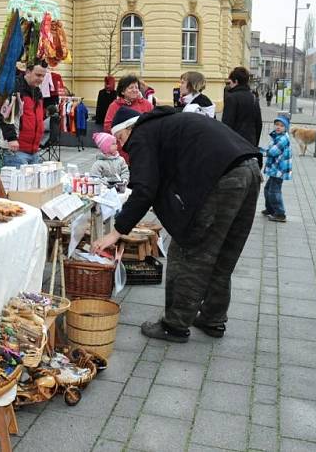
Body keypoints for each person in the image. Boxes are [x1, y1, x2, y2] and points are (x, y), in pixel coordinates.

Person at [91, 106, 261, 342]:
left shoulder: (142, 134)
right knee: (224, 254)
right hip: (250, 169)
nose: (121, 146)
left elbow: (145, 190)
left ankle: (175, 324)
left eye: (120, 138)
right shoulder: (167, 124)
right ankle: (213, 318)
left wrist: (117, 232)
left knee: (190, 251)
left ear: (129, 129)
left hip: (225, 179)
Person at [0, 60, 47, 167]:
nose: (41, 79)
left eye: (43, 76)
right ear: (28, 72)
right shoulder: (15, 88)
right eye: (38, 75)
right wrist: (11, 139)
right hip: (16, 151)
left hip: (33, 151)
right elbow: (4, 115)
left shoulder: (37, 92)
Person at [103, 74, 154, 162]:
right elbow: (107, 127)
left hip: (142, 150)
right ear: (122, 91)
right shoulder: (115, 106)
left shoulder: (147, 104)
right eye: (131, 87)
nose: (135, 90)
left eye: (136, 87)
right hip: (122, 151)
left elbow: (153, 124)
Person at [260, 115, 292, 223]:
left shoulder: (283, 139)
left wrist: (260, 152)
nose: (278, 127)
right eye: (277, 125)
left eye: (282, 126)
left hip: (279, 171)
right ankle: (270, 209)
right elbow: (270, 149)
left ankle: (280, 213)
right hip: (275, 170)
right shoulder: (277, 136)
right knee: (267, 189)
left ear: (286, 128)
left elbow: (273, 152)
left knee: (274, 192)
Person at [221, 67, 262, 147]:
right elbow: (258, 123)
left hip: (235, 144)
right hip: (250, 142)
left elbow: (227, 124)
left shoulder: (232, 98)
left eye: (230, 82)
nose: (230, 85)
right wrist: (255, 144)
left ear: (236, 81)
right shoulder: (253, 97)